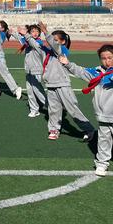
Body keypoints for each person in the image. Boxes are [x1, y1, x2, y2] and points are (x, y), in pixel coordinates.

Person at [59, 45, 113, 176]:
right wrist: (68, 64)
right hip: (104, 115)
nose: (107, 61)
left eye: (110, 57)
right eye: (104, 58)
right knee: (104, 140)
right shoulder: (96, 72)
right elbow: (81, 71)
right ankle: (102, 163)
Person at [38, 21, 94, 141]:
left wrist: (45, 31)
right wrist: (26, 35)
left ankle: (89, 129)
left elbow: (53, 44)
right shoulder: (49, 52)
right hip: (51, 84)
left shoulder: (61, 50)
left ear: (62, 41)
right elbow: (36, 44)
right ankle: (54, 129)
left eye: (56, 39)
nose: (53, 41)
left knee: (72, 109)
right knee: (53, 109)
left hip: (63, 85)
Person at [13, 25, 47, 117]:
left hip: (37, 70)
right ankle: (34, 110)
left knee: (38, 91)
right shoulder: (27, 41)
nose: (35, 33)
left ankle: (51, 107)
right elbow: (21, 39)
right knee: (30, 92)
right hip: (29, 70)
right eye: (33, 31)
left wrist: (25, 34)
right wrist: (13, 32)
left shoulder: (38, 42)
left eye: (37, 31)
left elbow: (30, 42)